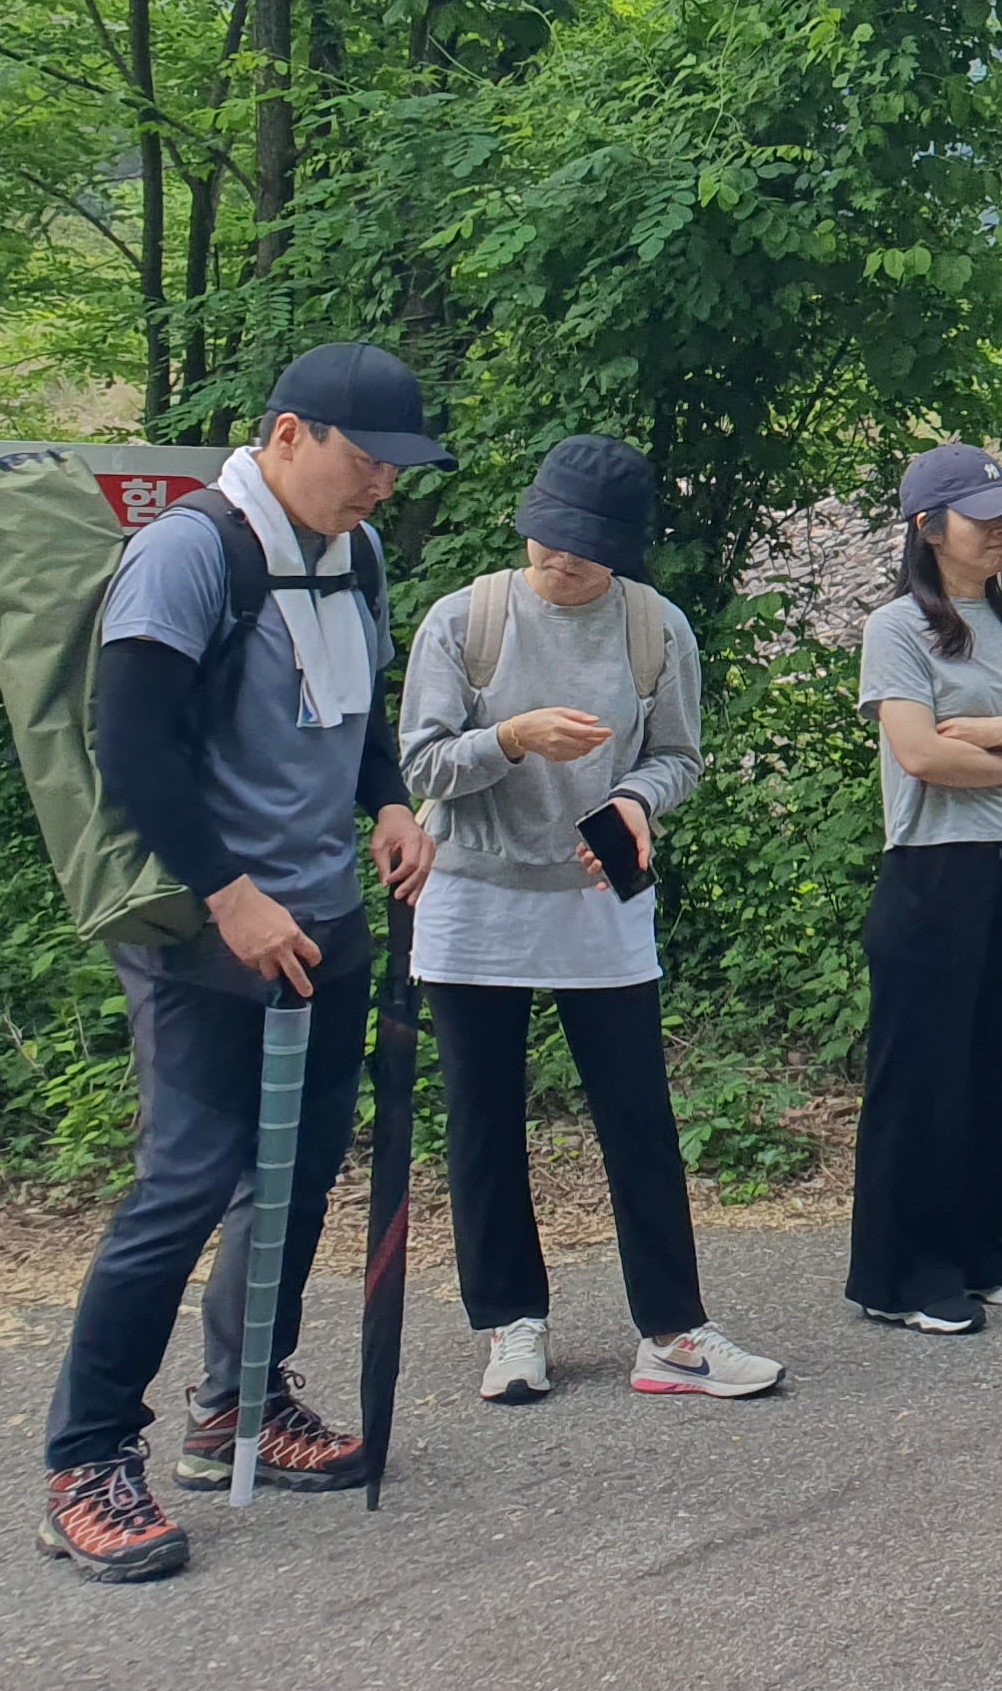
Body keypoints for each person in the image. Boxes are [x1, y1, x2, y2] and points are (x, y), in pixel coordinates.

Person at [41, 342, 446, 1582]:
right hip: (212, 931)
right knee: (186, 1185)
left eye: (395, 468)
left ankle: (240, 1406)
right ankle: (86, 1460)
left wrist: (386, 802)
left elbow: (361, 709)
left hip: (325, 914)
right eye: (365, 460)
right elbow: (135, 743)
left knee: (298, 1179)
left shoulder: (355, 553)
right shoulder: (192, 551)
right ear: (286, 435)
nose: (382, 485)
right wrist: (228, 894)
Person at [400, 436, 779, 1404]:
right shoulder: (465, 620)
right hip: (476, 895)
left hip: (597, 894)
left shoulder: (656, 629)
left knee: (638, 1116)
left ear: (622, 550)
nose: (556, 559)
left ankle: (673, 1331)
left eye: (579, 546)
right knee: (484, 1119)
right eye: (543, 538)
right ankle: (511, 1326)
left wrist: (638, 804)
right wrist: (514, 738)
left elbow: (679, 756)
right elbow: (423, 766)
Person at [847, 443, 1002, 1338]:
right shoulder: (896, 628)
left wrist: (997, 735)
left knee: (999, 1065)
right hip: (930, 871)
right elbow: (920, 753)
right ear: (928, 528)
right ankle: (898, 1272)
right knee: (921, 1077)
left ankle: (983, 1248)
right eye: (981, 515)